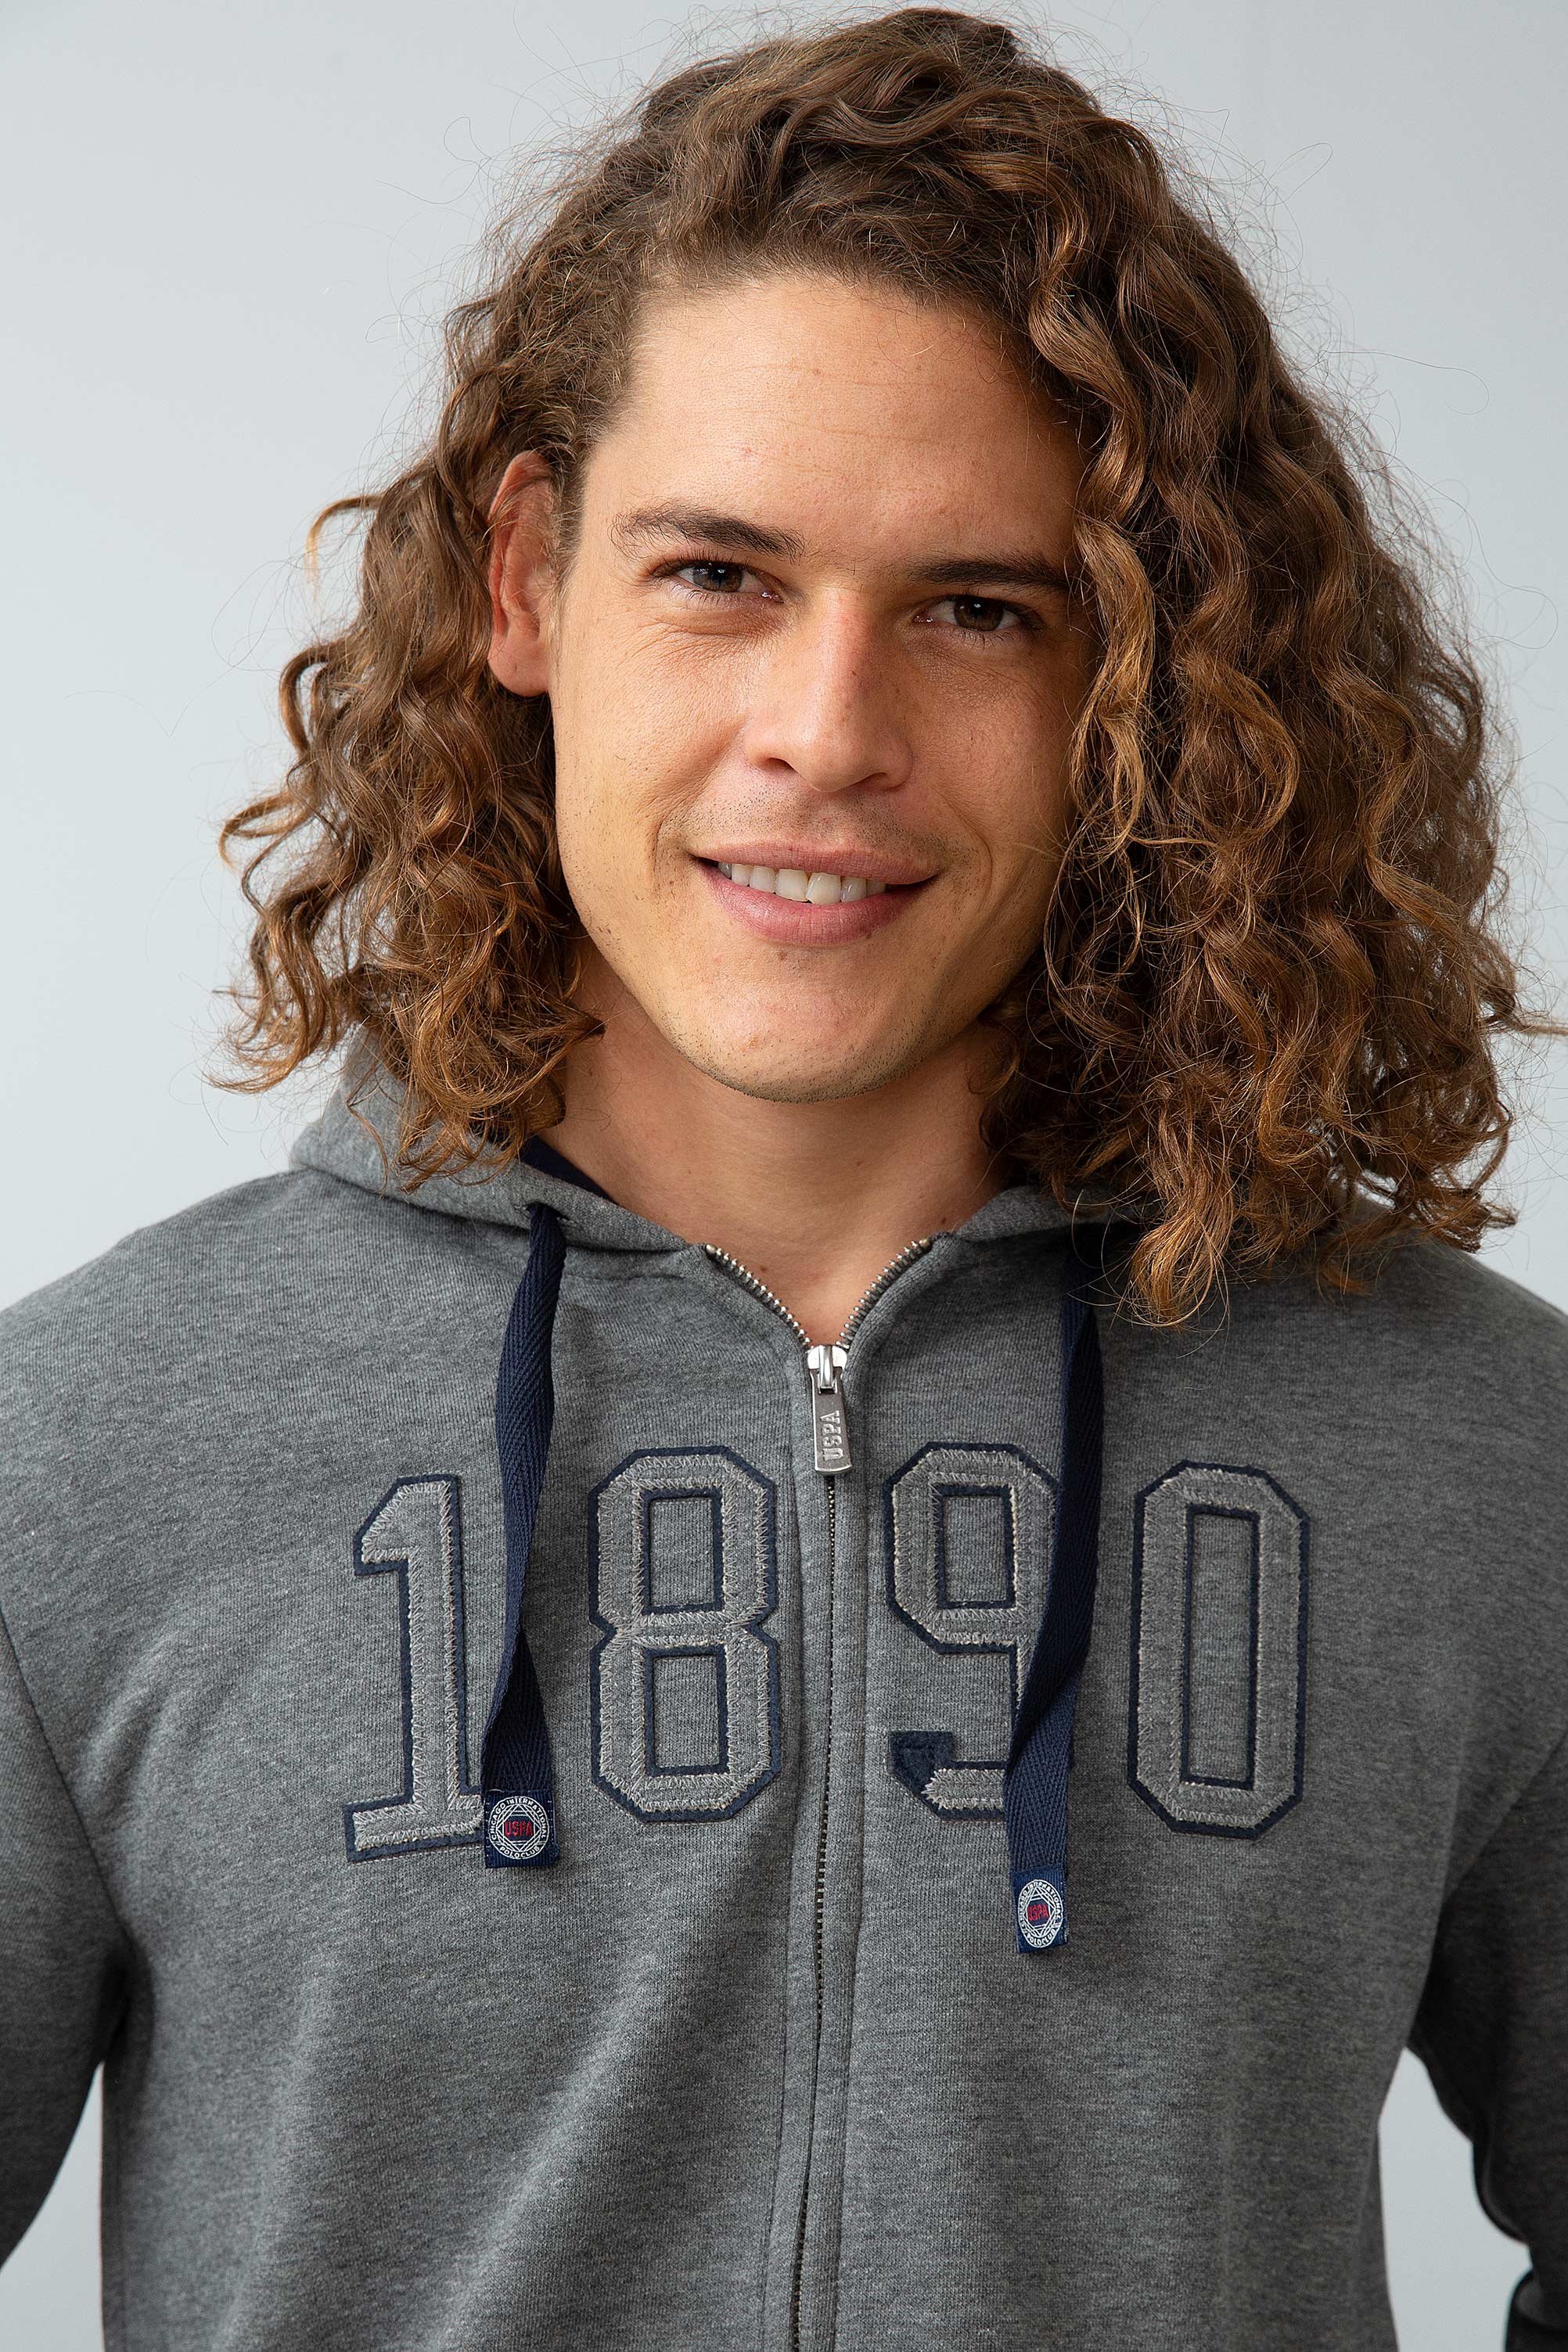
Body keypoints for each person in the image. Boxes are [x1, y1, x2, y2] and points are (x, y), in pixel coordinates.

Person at [2, 8, 1565, 2346]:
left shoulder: (1480, 1460)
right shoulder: (85, 1453)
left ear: (1138, 675)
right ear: (526, 579)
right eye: (721, 575)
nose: (826, 736)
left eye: (976, 609)